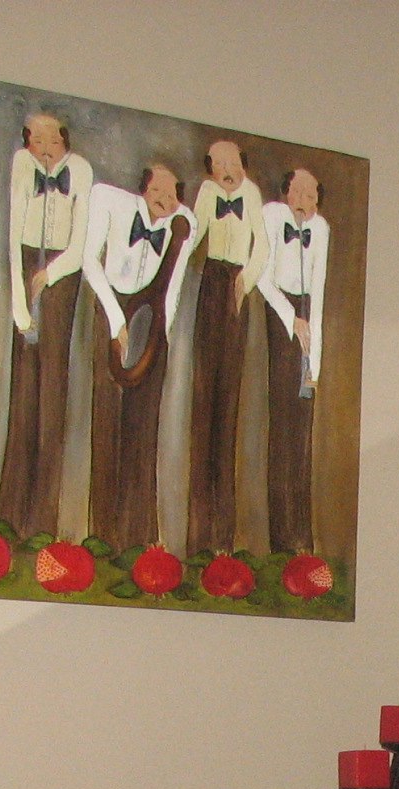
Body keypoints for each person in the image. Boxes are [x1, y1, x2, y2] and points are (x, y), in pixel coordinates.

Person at [81, 161, 198, 550]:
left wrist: (160, 335)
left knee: (143, 428)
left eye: (172, 193)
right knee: (107, 422)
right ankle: (103, 537)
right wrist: (116, 322)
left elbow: (174, 286)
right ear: (141, 190)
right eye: (156, 191)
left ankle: (139, 538)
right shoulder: (107, 200)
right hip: (111, 303)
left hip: (153, 312)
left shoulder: (184, 225)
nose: (165, 199)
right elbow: (89, 262)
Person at [0, 112, 94, 541]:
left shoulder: (81, 170)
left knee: (52, 395)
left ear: (65, 141)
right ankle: (9, 518)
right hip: (26, 268)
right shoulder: (22, 166)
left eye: (52, 139)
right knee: (24, 396)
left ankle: (41, 524)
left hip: (62, 274)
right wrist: (20, 305)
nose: (45, 147)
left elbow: (81, 243)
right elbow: (12, 236)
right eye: (36, 139)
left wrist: (49, 275)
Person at [183, 139, 269, 554]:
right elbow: (192, 237)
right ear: (211, 169)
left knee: (227, 404)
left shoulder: (251, 194)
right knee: (203, 403)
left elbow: (263, 245)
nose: (227, 170)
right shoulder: (206, 193)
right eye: (218, 164)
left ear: (243, 165)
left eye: (232, 162)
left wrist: (245, 281)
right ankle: (199, 539)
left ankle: (224, 539)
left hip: (236, 288)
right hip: (210, 284)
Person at [258, 168, 328, 554]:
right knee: (281, 426)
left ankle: (303, 543)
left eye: (312, 194)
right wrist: (291, 319)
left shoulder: (322, 229)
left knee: (301, 432)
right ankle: (281, 542)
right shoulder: (271, 215)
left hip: (306, 319)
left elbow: (318, 295)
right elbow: (262, 278)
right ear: (286, 193)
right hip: (278, 313)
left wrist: (314, 365)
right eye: (299, 192)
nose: (305, 201)